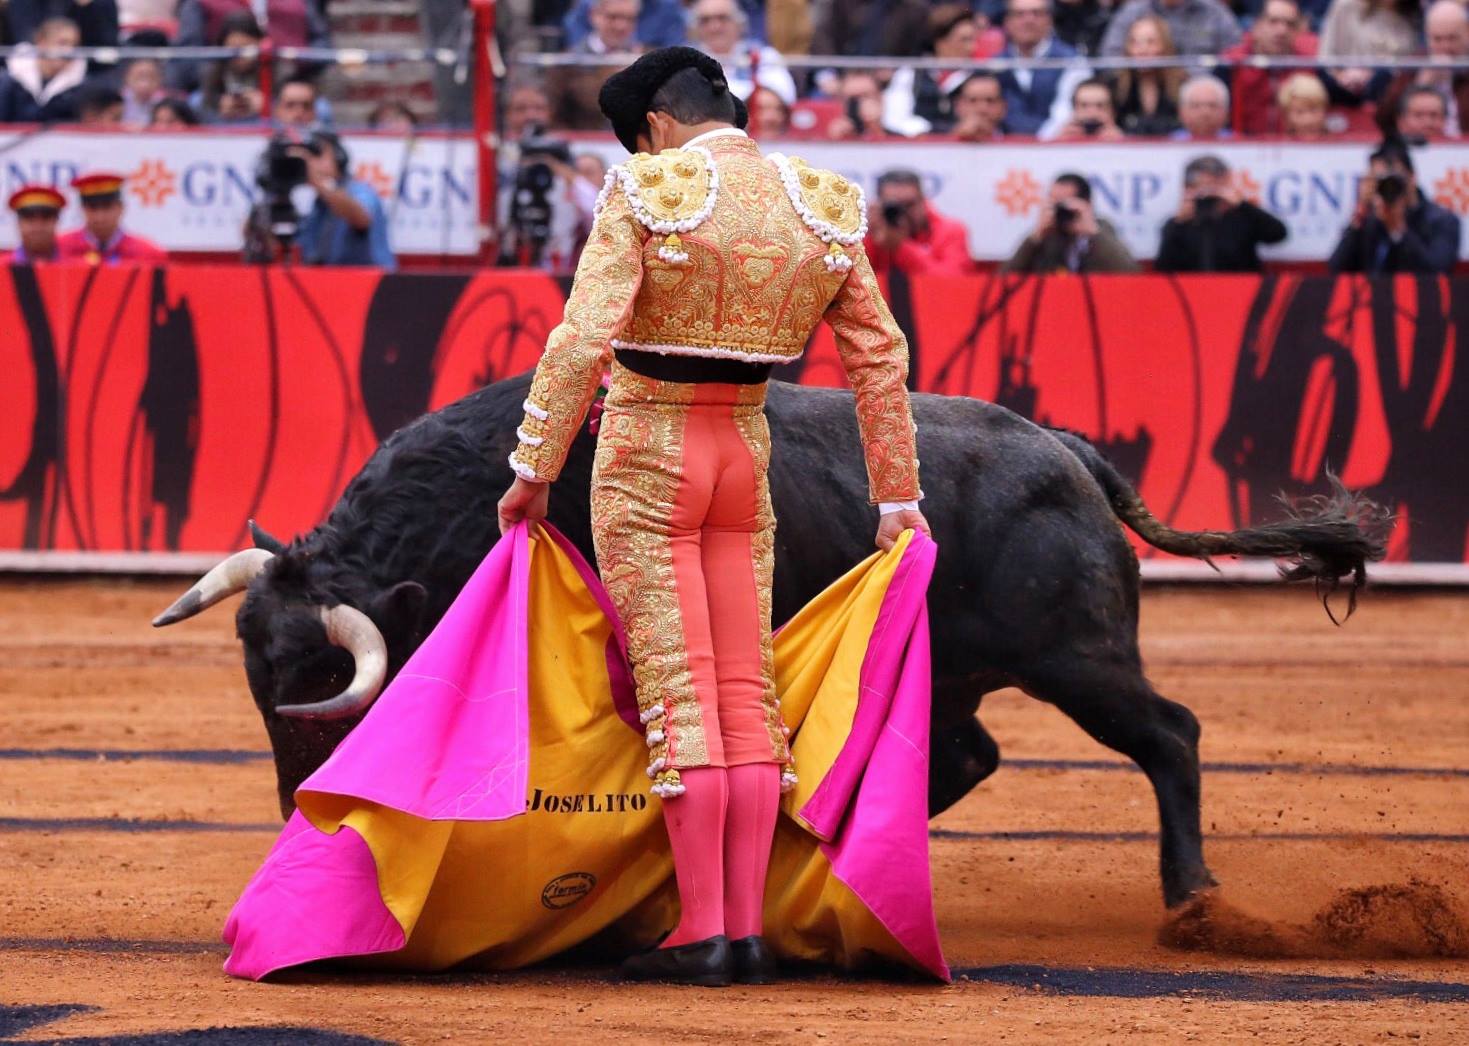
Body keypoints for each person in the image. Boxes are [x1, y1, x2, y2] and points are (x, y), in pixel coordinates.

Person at [496, 45, 927, 987]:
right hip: (746, 451)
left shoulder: (650, 187)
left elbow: (581, 341)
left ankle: (703, 933)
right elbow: (879, 355)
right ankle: (740, 929)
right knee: (743, 694)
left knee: (682, 695)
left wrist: (533, 468)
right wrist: (896, 497)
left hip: (650, 452)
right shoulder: (820, 197)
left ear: (654, 123)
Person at [1328, 139, 1460, 274]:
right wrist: (1360, 212)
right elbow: (1336, 268)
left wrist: (1399, 229)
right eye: (1380, 181)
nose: (1388, 188)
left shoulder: (1443, 221)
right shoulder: (1369, 222)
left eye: (1394, 180)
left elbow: (1436, 272)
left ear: (1412, 177)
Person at [1155, 154, 1287, 272]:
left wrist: (1242, 205)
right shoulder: (1179, 223)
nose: (1208, 193)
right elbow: (1163, 268)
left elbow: (1278, 234)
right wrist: (1177, 224)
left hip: (1240, 290)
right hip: (1193, 291)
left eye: (1214, 185)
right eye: (1201, 185)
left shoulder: (1242, 217)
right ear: (1188, 188)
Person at [294, 131, 396, 269]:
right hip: (328, 283)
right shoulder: (316, 203)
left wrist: (319, 182)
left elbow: (361, 218)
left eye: (317, 154)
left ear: (339, 157)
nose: (310, 162)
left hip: (372, 284)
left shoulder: (359, 190)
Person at [1003, 172, 1140, 273]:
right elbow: (1004, 278)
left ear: (1086, 203)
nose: (1060, 210)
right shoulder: (1046, 234)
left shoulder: (1102, 229)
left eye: (1065, 202)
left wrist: (1094, 233)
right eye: (1054, 202)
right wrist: (1035, 238)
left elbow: (1131, 273)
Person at [881, 4, 981, 136]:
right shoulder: (912, 74)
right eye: (964, 40)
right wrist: (939, 131)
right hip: (919, 151)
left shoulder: (980, 77)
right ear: (940, 42)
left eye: (974, 40)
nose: (972, 48)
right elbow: (894, 119)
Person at [1221, 0, 1319, 135]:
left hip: (1294, 146)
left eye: (1290, 24)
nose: (1282, 31)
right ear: (1256, 26)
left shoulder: (1310, 65)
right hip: (1241, 147)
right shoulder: (1232, 64)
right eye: (1273, 22)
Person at [995, 0, 1089, 137]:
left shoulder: (1072, 61)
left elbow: (1066, 113)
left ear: (1050, 19)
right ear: (1007, 22)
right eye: (1019, 14)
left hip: (1056, 147)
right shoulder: (992, 65)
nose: (1028, 20)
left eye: (1037, 13)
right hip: (1000, 149)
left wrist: (1039, 141)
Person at [549, 0, 646, 130]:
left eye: (630, 19)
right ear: (594, 16)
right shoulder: (568, 62)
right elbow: (554, 117)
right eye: (613, 17)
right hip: (585, 142)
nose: (621, 26)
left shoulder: (646, 59)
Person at [862, 168, 975, 276]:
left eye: (909, 205)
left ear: (923, 201)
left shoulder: (950, 231)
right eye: (895, 207)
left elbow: (952, 281)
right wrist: (868, 235)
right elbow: (851, 280)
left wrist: (901, 247)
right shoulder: (868, 234)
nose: (903, 213)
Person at [690, 0, 796, 107]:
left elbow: (784, 97)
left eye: (722, 18)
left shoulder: (764, 55)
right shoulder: (686, 60)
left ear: (739, 22)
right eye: (705, 20)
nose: (714, 27)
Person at [57, 171, 167, 264]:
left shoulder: (147, 253)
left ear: (121, 208)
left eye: (107, 207)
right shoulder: (59, 249)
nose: (100, 217)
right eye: (93, 208)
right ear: (82, 209)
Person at [0, 17, 87, 123]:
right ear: (41, 42)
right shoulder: (7, 81)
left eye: (74, 45)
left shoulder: (79, 87)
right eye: (62, 43)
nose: (69, 51)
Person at [1111, 14, 1184, 137]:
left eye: (1151, 42)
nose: (1142, 50)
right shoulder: (1115, 86)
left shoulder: (1183, 86)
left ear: (1165, 46)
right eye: (1134, 42)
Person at [192, 11, 266, 124]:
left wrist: (266, 105)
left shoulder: (275, 69)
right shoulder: (212, 71)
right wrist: (218, 105)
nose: (240, 56)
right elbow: (206, 103)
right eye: (234, 50)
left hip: (262, 123)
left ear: (260, 43)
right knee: (196, 100)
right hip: (223, 125)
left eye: (246, 48)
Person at [1100, 0, 1241, 57]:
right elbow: (1110, 57)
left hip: (1202, 95)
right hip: (1143, 96)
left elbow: (1236, 55)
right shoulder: (1132, 12)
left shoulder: (1215, 13)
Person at [2, 184, 65, 264]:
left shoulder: (77, 266)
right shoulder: (2, 267)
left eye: (46, 217)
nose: (38, 226)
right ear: (18, 223)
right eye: (29, 218)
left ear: (56, 221)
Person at [1050, 77, 1126, 140]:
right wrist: (1059, 143)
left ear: (1113, 112)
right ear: (1074, 110)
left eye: (1100, 106)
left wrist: (1121, 142)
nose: (1092, 113)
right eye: (1084, 106)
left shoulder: (1129, 147)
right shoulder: (1061, 142)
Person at [1170, 75, 1232, 140]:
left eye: (1212, 105)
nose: (1204, 113)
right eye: (1196, 106)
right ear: (1181, 112)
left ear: (1226, 112)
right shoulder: (1167, 145)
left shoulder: (1239, 145)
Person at [951, 72, 1007, 141]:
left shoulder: (1020, 137)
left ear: (1003, 106)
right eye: (973, 101)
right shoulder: (937, 138)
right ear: (958, 106)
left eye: (990, 101)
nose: (982, 108)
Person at [1278, 71, 1330, 139]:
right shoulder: (1275, 146)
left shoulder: (1341, 145)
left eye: (1313, 110)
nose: (1308, 120)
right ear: (1286, 116)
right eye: (1299, 112)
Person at [120, 57, 169, 126]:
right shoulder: (118, 102)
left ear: (160, 79)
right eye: (139, 76)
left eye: (151, 77)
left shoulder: (167, 103)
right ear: (127, 78)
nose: (145, 83)